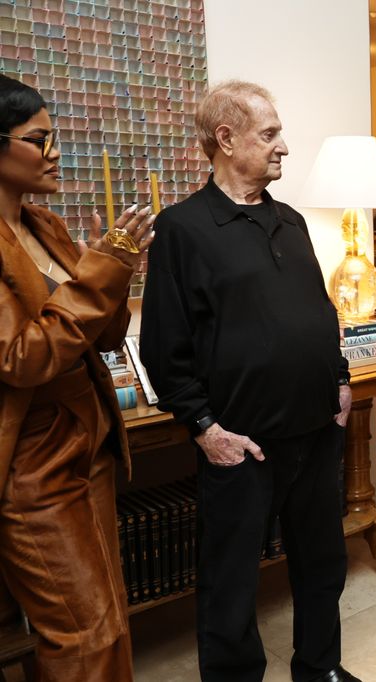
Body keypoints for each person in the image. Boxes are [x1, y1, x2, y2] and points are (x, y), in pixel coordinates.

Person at [140, 81, 359, 682]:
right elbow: (164, 346)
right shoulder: (183, 229)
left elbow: (319, 311)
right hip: (242, 443)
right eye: (269, 135)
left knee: (323, 563)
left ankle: (321, 668)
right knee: (231, 582)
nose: (283, 146)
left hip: (317, 430)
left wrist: (339, 380)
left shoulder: (289, 221)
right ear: (226, 140)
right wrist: (204, 427)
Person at [0, 74, 155, 680]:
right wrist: (102, 272)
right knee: (82, 636)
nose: (55, 151)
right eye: (39, 139)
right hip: (31, 466)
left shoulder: (46, 225)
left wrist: (116, 271)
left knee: (111, 618)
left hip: (87, 445)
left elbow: (106, 336)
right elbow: (22, 358)